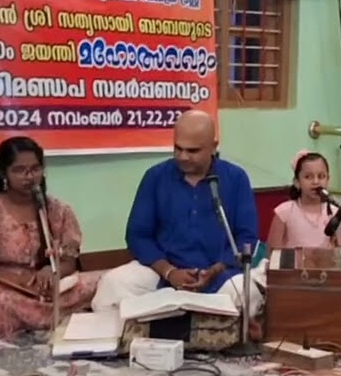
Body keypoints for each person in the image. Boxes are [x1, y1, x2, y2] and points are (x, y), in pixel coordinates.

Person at [92, 110, 263, 315]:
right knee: (111, 285)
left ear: (213, 146)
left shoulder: (236, 178)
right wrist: (170, 272)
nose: (183, 157)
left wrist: (215, 270)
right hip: (162, 273)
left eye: (192, 151)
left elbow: (247, 238)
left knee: (248, 295)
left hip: (220, 275)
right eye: (178, 148)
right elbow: (137, 236)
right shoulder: (156, 177)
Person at [0, 136, 97, 338]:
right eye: (19, 170)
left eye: (35, 169)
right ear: (3, 173)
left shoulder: (59, 210)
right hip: (5, 284)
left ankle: (50, 319)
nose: (29, 176)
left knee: (95, 283)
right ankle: (41, 321)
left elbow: (69, 261)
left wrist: (52, 271)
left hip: (47, 285)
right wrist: (26, 282)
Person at [266, 150, 341, 317]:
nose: (315, 181)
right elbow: (273, 255)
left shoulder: (335, 213)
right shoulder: (284, 212)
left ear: (328, 180)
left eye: (321, 176)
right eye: (308, 177)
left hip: (325, 278)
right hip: (293, 279)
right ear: (297, 182)